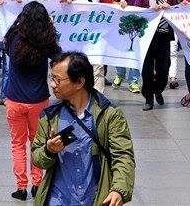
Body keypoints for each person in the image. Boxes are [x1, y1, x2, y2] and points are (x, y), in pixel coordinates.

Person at [31, 51, 135, 206]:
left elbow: (123, 156)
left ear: (79, 82)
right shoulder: (50, 116)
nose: (52, 84)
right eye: (52, 78)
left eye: (57, 80)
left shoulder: (109, 115)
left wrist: (118, 189)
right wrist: (49, 150)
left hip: (94, 199)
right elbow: (37, 158)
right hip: (58, 200)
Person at [2, 2, 61, 201]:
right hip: (38, 100)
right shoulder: (46, 40)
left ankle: (20, 187)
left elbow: (7, 47)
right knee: (38, 143)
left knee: (17, 144)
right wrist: (51, 28)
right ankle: (37, 184)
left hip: (14, 99)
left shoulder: (14, 37)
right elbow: (59, 57)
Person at [140, 0, 177, 110]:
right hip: (147, 38)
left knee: (163, 68)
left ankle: (158, 89)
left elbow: (178, 11)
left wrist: (174, 7)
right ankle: (148, 98)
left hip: (163, 36)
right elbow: (136, 12)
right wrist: (149, 10)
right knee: (147, 70)